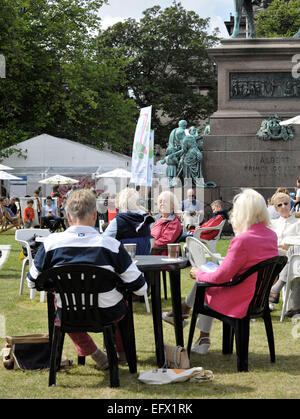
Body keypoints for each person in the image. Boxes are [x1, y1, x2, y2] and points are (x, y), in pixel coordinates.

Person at [26, 189, 147, 369]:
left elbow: (32, 281)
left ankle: (96, 353)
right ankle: (122, 353)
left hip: (69, 313)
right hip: (108, 312)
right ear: (95, 215)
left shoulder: (50, 244)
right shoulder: (111, 245)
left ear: (67, 216)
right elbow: (141, 288)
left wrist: (54, 285)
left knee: (60, 304)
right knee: (124, 303)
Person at [163, 188, 278, 355]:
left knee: (205, 281)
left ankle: (190, 319)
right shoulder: (270, 236)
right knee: (207, 280)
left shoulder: (243, 240)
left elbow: (221, 276)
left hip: (241, 298)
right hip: (258, 296)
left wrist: (198, 274)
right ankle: (195, 327)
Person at [269, 192, 300, 314]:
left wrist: (287, 244)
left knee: (294, 255)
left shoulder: (298, 222)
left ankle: (275, 290)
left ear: (290, 205)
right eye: (279, 205)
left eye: (286, 203)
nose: (283, 206)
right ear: (276, 209)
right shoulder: (273, 223)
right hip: (276, 256)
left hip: (293, 256)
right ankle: (294, 306)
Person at [103, 187, 155, 255]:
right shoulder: (148, 218)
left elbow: (103, 240)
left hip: (125, 262)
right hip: (145, 260)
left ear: (122, 201)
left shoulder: (118, 221)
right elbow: (151, 241)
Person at [150, 191, 182, 255]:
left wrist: (149, 247)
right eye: (160, 201)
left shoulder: (174, 222)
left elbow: (165, 240)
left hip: (160, 255)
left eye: (165, 201)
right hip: (149, 249)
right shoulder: (155, 218)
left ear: (173, 206)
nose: (162, 203)